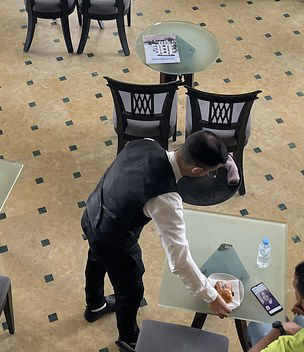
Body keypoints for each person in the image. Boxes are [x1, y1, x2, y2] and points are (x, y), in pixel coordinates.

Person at [82, 131, 233, 351]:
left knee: (95, 258)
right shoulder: (166, 198)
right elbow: (179, 262)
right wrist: (209, 295)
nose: (208, 177)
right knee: (131, 289)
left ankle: (95, 305)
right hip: (113, 238)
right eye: (209, 173)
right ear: (197, 170)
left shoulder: (146, 143)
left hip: (92, 212)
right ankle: (129, 338)